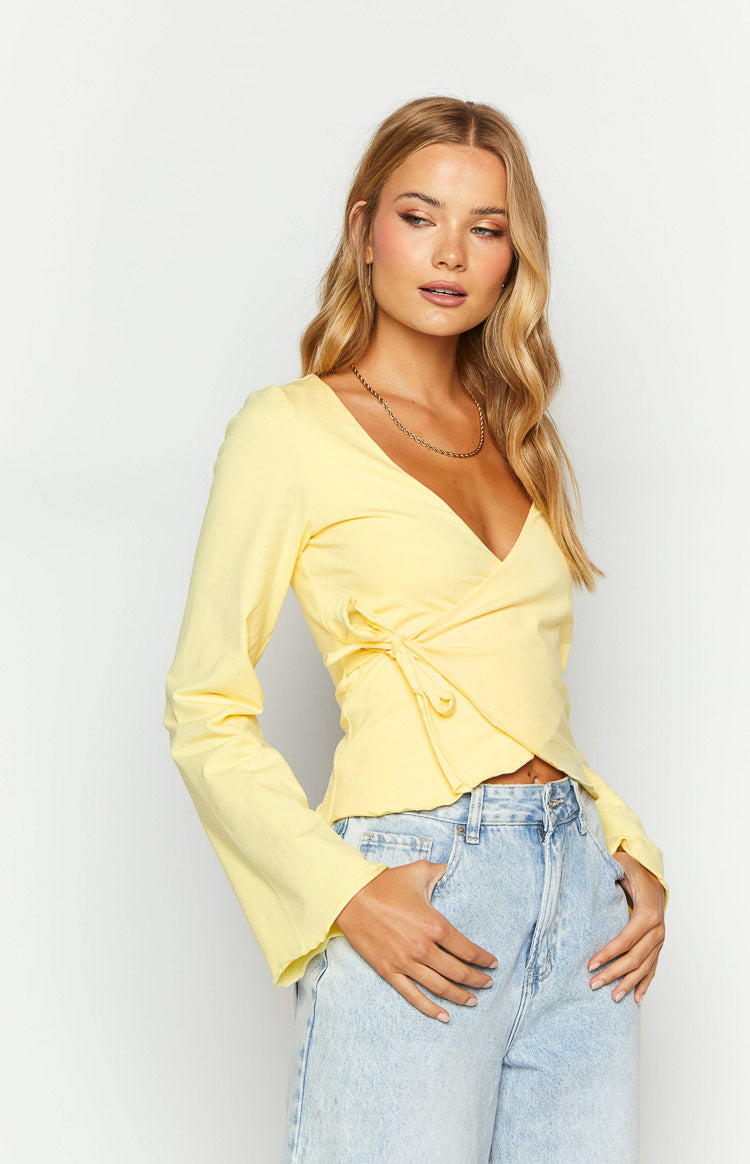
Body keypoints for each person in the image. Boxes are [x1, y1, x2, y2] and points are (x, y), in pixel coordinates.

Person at [163, 95, 668, 1163]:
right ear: (363, 231)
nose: (450, 254)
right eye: (418, 217)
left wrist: (626, 847)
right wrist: (343, 893)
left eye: (486, 228)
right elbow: (204, 708)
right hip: (421, 883)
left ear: (513, 257)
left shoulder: (520, 437)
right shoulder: (288, 431)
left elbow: (530, 694)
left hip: (580, 901)